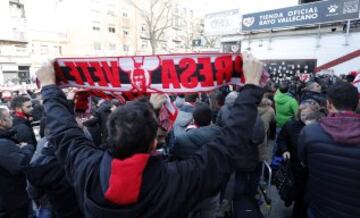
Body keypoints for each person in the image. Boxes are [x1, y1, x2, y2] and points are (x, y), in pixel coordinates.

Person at [35, 53, 264, 218]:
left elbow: (63, 130)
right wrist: (252, 86)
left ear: (110, 135)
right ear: (154, 141)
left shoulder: (87, 168)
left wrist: (48, 86)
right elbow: (229, 144)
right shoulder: (177, 181)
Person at [298, 82, 360, 218]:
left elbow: (304, 162)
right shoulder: (310, 131)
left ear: (329, 104)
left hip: (320, 207)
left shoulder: (310, 132)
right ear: (357, 104)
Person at [172, 102, 221, 218]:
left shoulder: (181, 139)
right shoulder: (222, 134)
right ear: (211, 119)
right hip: (212, 186)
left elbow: (175, 160)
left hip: (190, 187)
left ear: (194, 120)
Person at [277, 99, 320, 218]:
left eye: (309, 114)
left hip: (314, 168)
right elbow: (282, 139)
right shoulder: (291, 124)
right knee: (300, 196)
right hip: (296, 167)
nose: (305, 117)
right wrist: (285, 150)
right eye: (303, 114)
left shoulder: (320, 126)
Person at [0, 107, 34, 218]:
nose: (12, 119)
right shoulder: (2, 143)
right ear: (2, 122)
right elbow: (21, 165)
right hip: (13, 201)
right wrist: (27, 148)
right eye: (9, 116)